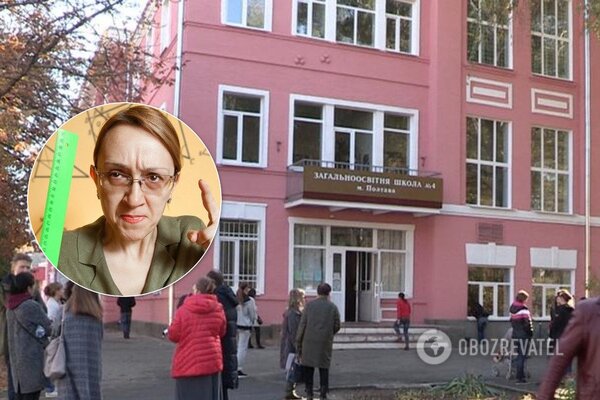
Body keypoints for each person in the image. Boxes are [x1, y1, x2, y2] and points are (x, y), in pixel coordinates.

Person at [58, 105, 218, 295]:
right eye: (117, 175)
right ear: (96, 180)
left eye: (153, 177)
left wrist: (211, 256)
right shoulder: (62, 251)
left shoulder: (191, 239)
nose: (134, 200)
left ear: (173, 184)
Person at [168, 277, 226, 400]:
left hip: (188, 360)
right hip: (211, 360)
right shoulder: (218, 309)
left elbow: (173, 335)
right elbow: (222, 332)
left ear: (197, 291)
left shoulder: (183, 310)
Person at [537, 296, 600, 400]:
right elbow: (559, 360)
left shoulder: (567, 310)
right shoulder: (588, 311)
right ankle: (568, 379)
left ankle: (568, 379)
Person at [1, 253, 41, 400]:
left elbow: (42, 311)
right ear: (13, 268)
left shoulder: (33, 289)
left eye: (28, 268)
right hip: (10, 340)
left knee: (30, 387)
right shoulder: (4, 287)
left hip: (30, 343)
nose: (25, 270)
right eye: (22, 267)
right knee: (15, 385)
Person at [6, 272, 52, 400]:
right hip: (31, 364)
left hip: (17, 368)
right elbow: (49, 328)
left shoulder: (10, 307)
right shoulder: (30, 305)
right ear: (28, 288)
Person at [56, 285, 104, 400]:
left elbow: (55, 334)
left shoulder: (64, 314)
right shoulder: (96, 318)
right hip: (91, 367)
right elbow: (100, 340)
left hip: (66, 366)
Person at [296, 283, 341, 400]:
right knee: (324, 368)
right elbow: (337, 325)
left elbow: (302, 324)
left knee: (308, 368)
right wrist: (329, 333)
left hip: (308, 341)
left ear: (317, 292)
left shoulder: (309, 306)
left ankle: (309, 393)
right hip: (324, 342)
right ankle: (323, 393)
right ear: (329, 293)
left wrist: (298, 342)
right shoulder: (332, 307)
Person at [207, 270, 238, 400]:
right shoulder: (228, 296)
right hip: (228, 343)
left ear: (213, 283)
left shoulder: (217, 298)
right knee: (223, 385)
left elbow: (216, 324)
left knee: (218, 383)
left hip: (220, 343)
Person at [280, 288, 305, 400]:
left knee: (293, 367)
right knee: (293, 368)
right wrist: (298, 347)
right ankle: (289, 392)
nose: (304, 299)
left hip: (290, 345)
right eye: (303, 297)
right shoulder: (293, 314)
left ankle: (291, 391)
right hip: (291, 346)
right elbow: (294, 333)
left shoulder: (293, 312)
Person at [43, 282, 64, 398]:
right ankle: (49, 388)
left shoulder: (56, 303)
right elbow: (51, 320)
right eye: (61, 289)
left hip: (54, 336)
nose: (63, 291)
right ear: (56, 291)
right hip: (53, 337)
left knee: (52, 361)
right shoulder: (52, 304)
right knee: (51, 361)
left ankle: (51, 386)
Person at [509, 290, 533, 384]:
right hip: (524, 336)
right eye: (526, 299)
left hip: (515, 334)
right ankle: (520, 377)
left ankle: (518, 375)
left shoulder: (512, 308)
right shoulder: (524, 309)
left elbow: (511, 321)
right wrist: (530, 333)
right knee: (522, 356)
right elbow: (528, 324)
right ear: (523, 299)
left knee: (519, 354)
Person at [236, 282, 257, 377]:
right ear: (245, 289)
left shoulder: (237, 298)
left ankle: (235, 367)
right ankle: (238, 368)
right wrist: (253, 322)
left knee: (238, 346)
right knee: (242, 348)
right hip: (246, 325)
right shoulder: (249, 300)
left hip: (237, 324)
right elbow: (252, 314)